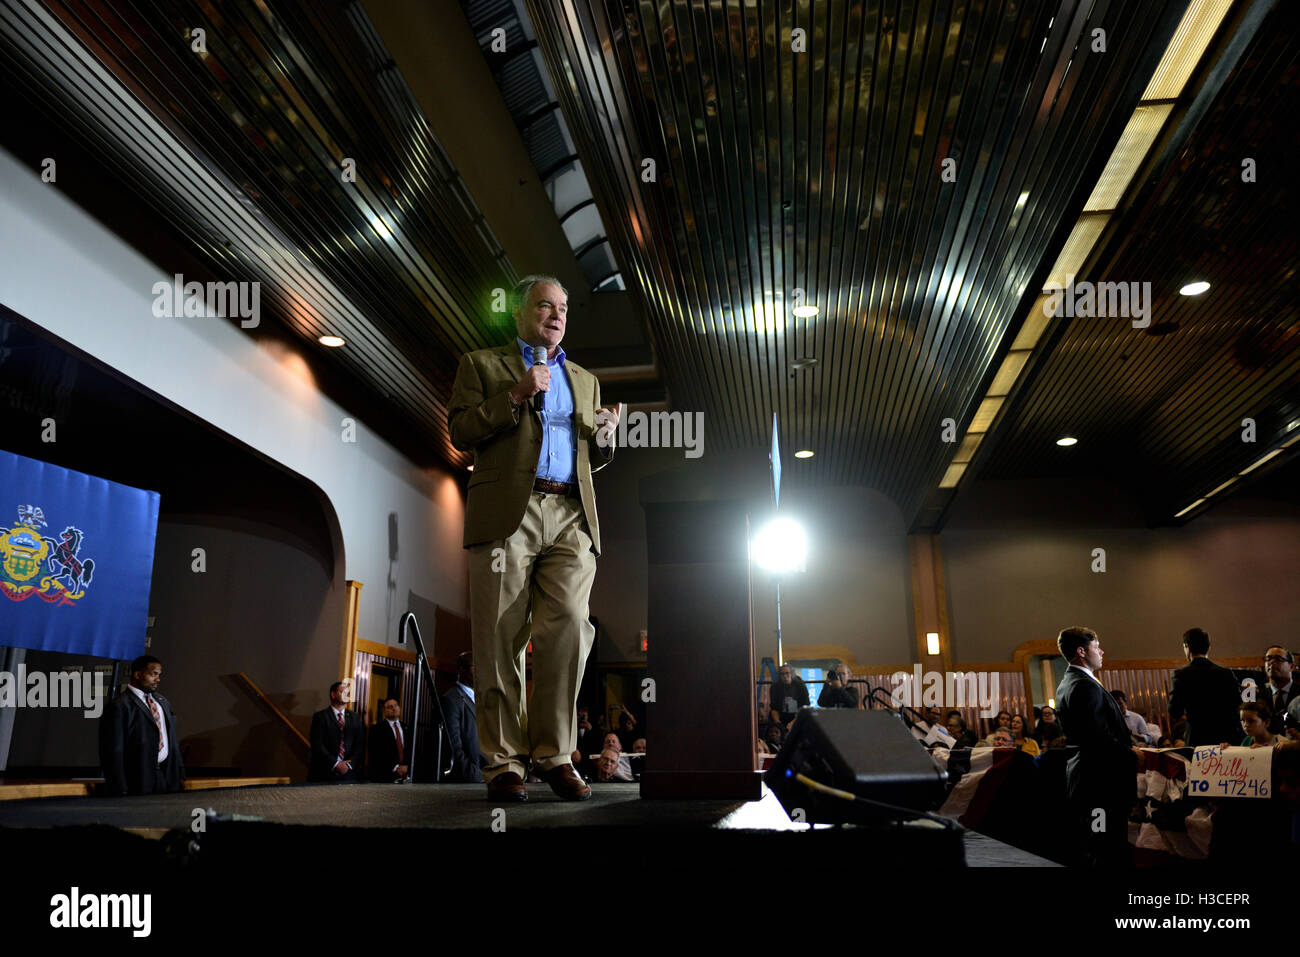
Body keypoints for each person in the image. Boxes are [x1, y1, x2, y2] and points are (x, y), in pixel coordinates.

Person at [448, 274, 618, 803]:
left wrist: (607, 441)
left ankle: (555, 755)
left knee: (569, 625)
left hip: (571, 512)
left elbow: (593, 458)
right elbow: (461, 430)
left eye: (563, 307)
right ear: (519, 314)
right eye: (544, 305)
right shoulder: (482, 365)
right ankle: (503, 764)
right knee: (500, 637)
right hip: (507, 513)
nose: (556, 314)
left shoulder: (586, 380)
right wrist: (517, 395)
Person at [1054, 626, 1138, 867]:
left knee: (1101, 843)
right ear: (1081, 651)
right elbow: (1096, 737)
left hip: (1091, 780)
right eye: (1095, 646)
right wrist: (1131, 753)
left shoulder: (1070, 681)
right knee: (1103, 847)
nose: (1101, 651)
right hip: (1098, 785)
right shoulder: (1084, 685)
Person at [99, 655, 184, 796]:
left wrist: (179, 774)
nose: (158, 679)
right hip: (137, 782)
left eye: (159, 675)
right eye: (154, 674)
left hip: (166, 780)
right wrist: (119, 786)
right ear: (138, 674)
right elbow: (113, 750)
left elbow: (172, 741)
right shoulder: (119, 706)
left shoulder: (162, 702)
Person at [1168, 627, 1242, 747]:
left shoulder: (1181, 675)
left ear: (1187, 647)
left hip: (1197, 739)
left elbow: (1175, 711)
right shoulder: (1226, 673)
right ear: (1209, 647)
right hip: (1226, 738)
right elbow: (1237, 704)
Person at [308, 681, 366, 782]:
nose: (346, 695)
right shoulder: (320, 717)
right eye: (342, 692)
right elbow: (317, 744)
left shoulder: (355, 717)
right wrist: (336, 764)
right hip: (324, 772)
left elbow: (359, 744)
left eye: (347, 692)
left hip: (349, 773)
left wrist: (348, 764)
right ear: (333, 694)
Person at [441, 652, 485, 783]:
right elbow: (453, 748)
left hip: (489, 776)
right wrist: (478, 776)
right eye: (475, 666)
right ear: (461, 669)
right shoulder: (450, 699)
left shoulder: (481, 699)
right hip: (470, 781)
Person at [367, 697, 410, 783]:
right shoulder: (376, 729)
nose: (394, 708)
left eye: (396, 706)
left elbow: (413, 750)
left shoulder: (407, 728)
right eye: (390, 707)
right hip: (385, 776)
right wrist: (396, 768)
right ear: (384, 711)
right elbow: (375, 754)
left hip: (407, 775)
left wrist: (407, 766)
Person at [1261, 647, 1297, 734]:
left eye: (1278, 659)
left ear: (1291, 666)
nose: (1272, 662)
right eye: (1268, 658)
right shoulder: (1258, 695)